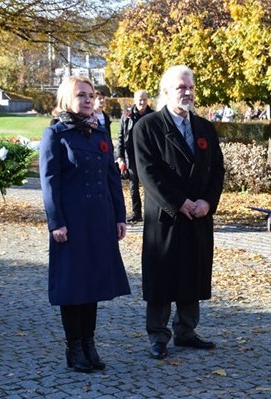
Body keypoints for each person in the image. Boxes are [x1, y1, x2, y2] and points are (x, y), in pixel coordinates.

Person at [39, 76, 131, 372]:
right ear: (66, 99)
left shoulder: (99, 132)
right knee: (73, 286)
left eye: (91, 95)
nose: (88, 100)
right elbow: (49, 183)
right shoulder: (55, 134)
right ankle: (74, 347)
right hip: (72, 223)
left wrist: (119, 215)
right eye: (81, 95)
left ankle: (90, 344)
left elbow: (112, 178)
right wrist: (56, 222)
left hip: (100, 220)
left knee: (93, 284)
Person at [133, 65, 225, 360]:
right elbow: (148, 173)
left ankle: (186, 330)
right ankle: (158, 334)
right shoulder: (147, 127)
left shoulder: (205, 128)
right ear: (165, 92)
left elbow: (217, 170)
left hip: (198, 214)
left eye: (190, 87)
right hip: (166, 216)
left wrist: (207, 202)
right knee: (163, 275)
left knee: (192, 272)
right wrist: (179, 202)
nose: (187, 92)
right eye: (180, 87)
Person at [116, 89, 153, 223]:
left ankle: (150, 213)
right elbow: (120, 136)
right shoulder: (127, 115)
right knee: (133, 186)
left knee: (150, 184)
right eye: (139, 99)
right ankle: (136, 213)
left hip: (148, 156)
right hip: (131, 155)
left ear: (148, 100)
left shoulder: (153, 116)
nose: (142, 102)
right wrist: (120, 157)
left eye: (144, 99)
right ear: (134, 100)